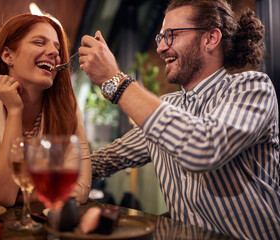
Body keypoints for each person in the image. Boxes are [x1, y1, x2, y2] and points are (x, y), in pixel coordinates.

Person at [79, 0, 279, 239]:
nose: (161, 48)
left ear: (210, 39)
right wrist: (45, 166)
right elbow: (104, 160)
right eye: (160, 38)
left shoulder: (252, 88)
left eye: (171, 35)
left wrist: (116, 80)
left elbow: (203, 147)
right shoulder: (169, 106)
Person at [0, 12, 91, 207]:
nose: (55, 53)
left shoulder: (68, 108)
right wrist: (14, 112)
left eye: (57, 47)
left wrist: (20, 197)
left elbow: (80, 190)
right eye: (39, 42)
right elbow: (2, 196)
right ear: (7, 55)